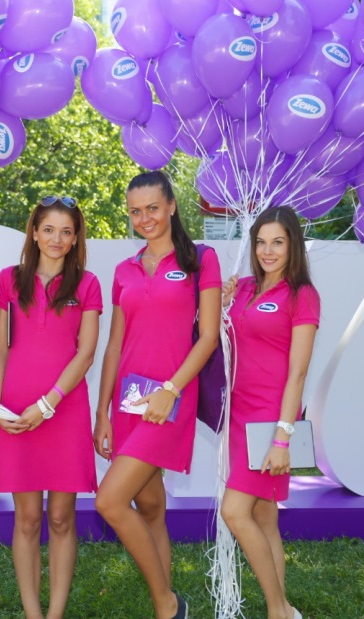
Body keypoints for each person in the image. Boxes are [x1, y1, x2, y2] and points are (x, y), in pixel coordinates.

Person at [94, 171, 222, 619]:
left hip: (170, 400)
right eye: (135, 211)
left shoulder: (201, 260)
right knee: (149, 507)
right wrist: (102, 412)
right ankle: (164, 608)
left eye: (152, 208)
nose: (144, 218)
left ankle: (169, 604)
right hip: (129, 399)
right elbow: (115, 345)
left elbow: (208, 337)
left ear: (171, 205)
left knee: (109, 501)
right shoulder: (124, 270)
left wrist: (170, 390)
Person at [0, 195, 102, 619]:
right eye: (49, 229)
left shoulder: (87, 284)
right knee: (27, 519)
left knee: (60, 518)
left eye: (66, 232)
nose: (57, 238)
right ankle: (33, 613)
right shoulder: (8, 279)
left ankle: (55, 614)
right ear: (34, 232)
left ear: (75, 239)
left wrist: (48, 404)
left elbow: (85, 354)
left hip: (64, 410)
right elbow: (1, 348)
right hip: (17, 412)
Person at [220, 206, 320, 619]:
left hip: (270, 419)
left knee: (234, 511)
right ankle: (282, 611)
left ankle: (280, 611)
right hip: (238, 415)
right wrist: (223, 303)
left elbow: (298, 373)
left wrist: (282, 438)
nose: (267, 251)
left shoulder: (302, 295)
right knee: (263, 516)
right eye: (261, 242)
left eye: (277, 242)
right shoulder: (243, 288)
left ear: (293, 245)